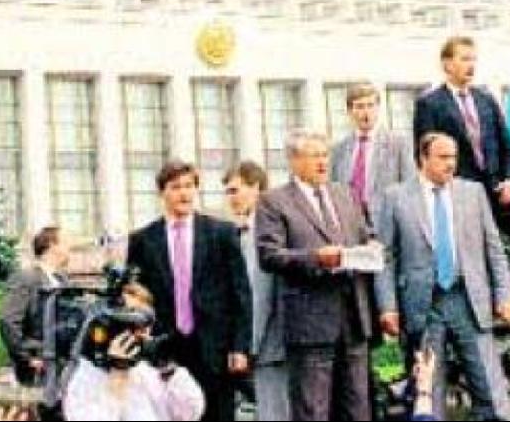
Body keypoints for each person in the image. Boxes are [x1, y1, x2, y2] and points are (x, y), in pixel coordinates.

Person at [413, 35, 510, 325]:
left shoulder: (486, 100)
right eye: (463, 59)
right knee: (474, 254)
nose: (470, 65)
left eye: (473, 59)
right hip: (460, 196)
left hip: (499, 192)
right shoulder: (430, 104)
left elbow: (507, 147)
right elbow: (424, 154)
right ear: (447, 64)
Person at [377, 132, 510, 421]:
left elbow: (494, 249)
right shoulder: (396, 197)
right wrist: (388, 306)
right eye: (442, 157)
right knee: (429, 388)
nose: (451, 164)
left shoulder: (473, 193)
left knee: (489, 387)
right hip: (423, 307)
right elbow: (386, 258)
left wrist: (504, 296)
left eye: (453, 157)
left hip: (469, 301)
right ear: (423, 159)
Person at [256, 129, 390, 421]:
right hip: (310, 324)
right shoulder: (274, 201)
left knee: (357, 408)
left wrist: (371, 246)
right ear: (294, 160)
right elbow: (269, 255)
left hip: (354, 319)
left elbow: (365, 234)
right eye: (314, 155)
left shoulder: (346, 194)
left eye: (325, 154)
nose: (322, 162)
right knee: (312, 409)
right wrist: (316, 258)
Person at [127, 161, 252, 422]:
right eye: (175, 187)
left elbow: (240, 294)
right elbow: (134, 297)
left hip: (215, 348)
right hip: (165, 348)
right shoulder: (143, 240)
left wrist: (240, 346)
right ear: (162, 193)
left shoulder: (222, 233)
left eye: (189, 186)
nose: (184, 194)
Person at [62, 283, 206, 422]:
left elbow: (191, 413)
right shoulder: (88, 373)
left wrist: (169, 371)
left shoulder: (149, 367)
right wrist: (118, 374)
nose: (142, 332)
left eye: (146, 323)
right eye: (134, 322)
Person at [222, 161, 289, 422]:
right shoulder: (249, 229)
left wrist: (248, 345)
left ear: (256, 188)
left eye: (234, 190)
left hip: (270, 343)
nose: (231, 199)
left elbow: (258, 292)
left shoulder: (259, 229)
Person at [329, 82, 414, 225]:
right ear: (350, 111)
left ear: (378, 108)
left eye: (370, 105)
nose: (366, 112)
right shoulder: (339, 149)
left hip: (386, 222)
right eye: (360, 106)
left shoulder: (399, 145)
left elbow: (409, 187)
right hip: (350, 223)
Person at [0, 226, 71, 386]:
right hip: (37, 367)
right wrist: (26, 358)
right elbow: (8, 320)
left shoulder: (62, 280)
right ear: (52, 246)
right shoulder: (25, 278)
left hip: (61, 364)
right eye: (66, 244)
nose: (69, 249)